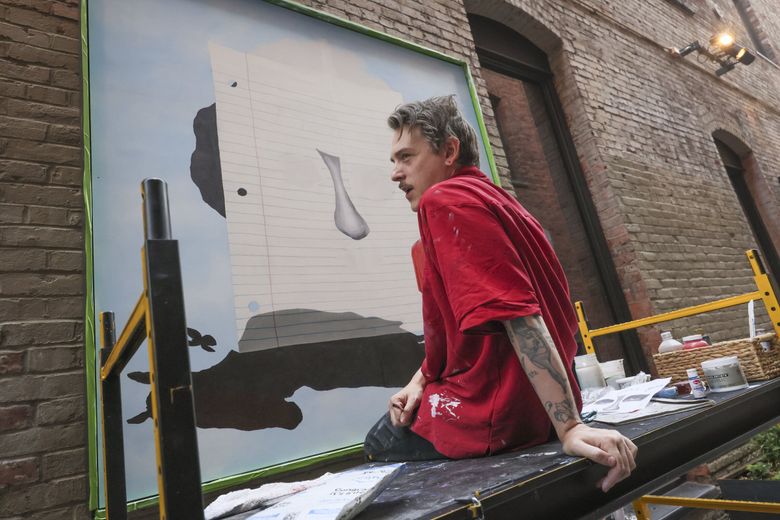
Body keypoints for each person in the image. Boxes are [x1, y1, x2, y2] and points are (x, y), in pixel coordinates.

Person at [363, 95, 637, 493]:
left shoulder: (446, 200)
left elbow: (519, 315)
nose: (396, 173)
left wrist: (572, 427)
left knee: (377, 444)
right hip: (527, 406)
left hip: (497, 412)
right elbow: (461, 336)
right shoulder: (501, 202)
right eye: (394, 161)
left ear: (450, 150)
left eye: (406, 157)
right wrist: (419, 381)